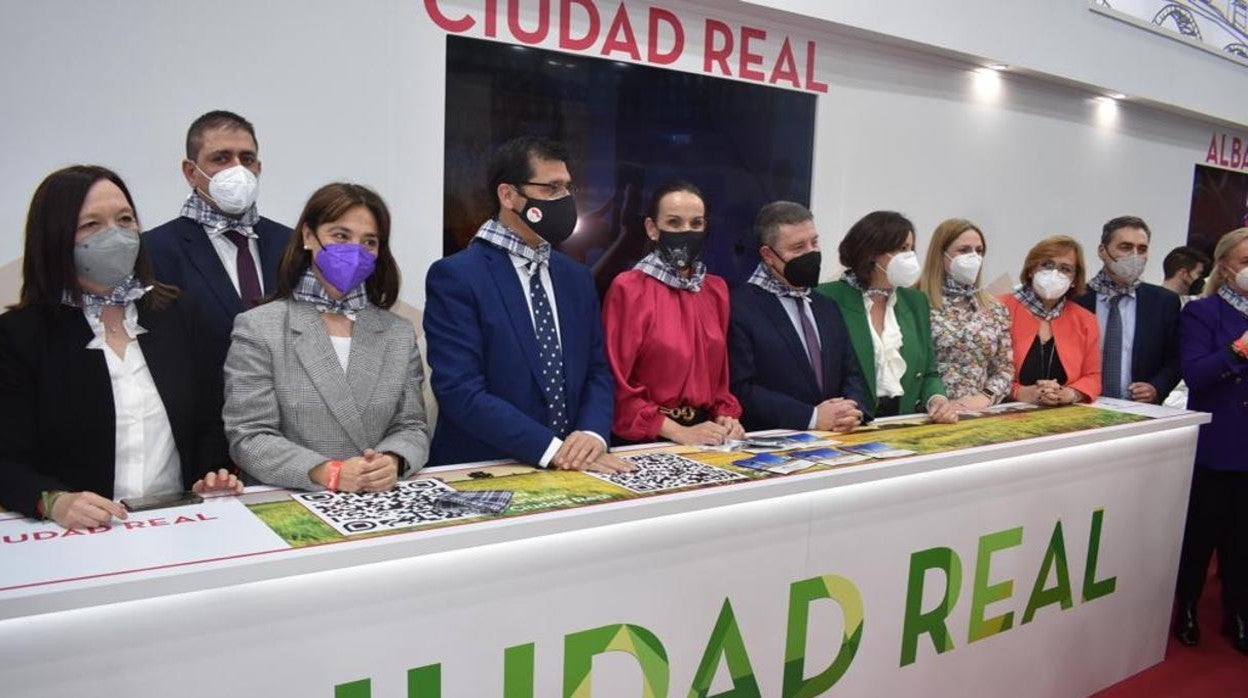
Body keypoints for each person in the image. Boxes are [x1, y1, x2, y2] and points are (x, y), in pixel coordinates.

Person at [0, 166, 240, 529]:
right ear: (54, 237)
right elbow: (7, 461)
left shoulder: (179, 312)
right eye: (91, 225)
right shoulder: (19, 335)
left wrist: (211, 475)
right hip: (78, 537)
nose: (116, 235)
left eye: (125, 219)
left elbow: (211, 417)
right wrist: (54, 501)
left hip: (181, 524)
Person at [424, 137, 627, 472]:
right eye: (551, 188)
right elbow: (460, 390)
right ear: (508, 196)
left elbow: (596, 370)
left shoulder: (577, 278)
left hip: (580, 469)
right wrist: (552, 450)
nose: (563, 199)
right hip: (487, 470)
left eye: (567, 189)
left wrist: (591, 433)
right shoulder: (457, 276)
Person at [224, 183, 429, 491]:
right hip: (292, 503)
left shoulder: (398, 332)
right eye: (341, 236)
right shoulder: (259, 327)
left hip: (378, 504)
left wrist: (393, 461)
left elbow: (412, 426)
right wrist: (327, 472)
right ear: (308, 236)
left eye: (369, 242)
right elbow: (249, 436)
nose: (355, 251)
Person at [145, 111, 291, 368]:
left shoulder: (289, 243)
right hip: (206, 403)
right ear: (191, 172)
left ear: (258, 168)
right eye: (221, 158)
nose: (237, 169)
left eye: (247, 159)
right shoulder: (153, 249)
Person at [602, 181, 745, 445]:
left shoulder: (715, 290)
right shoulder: (630, 288)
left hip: (705, 435)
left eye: (696, 224)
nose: (686, 232)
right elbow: (615, 383)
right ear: (652, 229)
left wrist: (726, 416)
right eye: (675, 223)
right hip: (647, 439)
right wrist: (678, 432)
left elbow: (720, 379)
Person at [1172, 227, 1248, 653]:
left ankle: (1237, 612)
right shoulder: (1204, 313)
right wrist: (1238, 351)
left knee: (1243, 541)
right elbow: (1196, 374)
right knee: (1201, 535)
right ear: (1224, 266)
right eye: (1244, 261)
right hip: (1217, 444)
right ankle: (1185, 606)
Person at [729, 201, 868, 432]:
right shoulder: (740, 307)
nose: (812, 253)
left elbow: (851, 372)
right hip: (772, 442)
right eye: (798, 247)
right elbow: (741, 388)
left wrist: (852, 408)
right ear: (768, 255)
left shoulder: (826, 306)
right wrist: (812, 417)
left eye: (814, 242)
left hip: (837, 439)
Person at [816, 211, 957, 422]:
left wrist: (936, 399)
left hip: (900, 422)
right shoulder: (826, 297)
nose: (909, 256)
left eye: (911, 248)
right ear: (871, 251)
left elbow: (928, 372)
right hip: (847, 422)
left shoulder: (915, 301)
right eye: (901, 249)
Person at [1074, 216, 1180, 403]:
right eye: (1125, 247)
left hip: (1138, 408)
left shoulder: (1164, 302)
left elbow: (1176, 358)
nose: (1134, 255)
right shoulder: (1076, 298)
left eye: (1142, 249)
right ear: (1102, 251)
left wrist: (1157, 387)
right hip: (1083, 404)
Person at [917, 218, 1013, 411]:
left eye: (979, 251)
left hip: (978, 413)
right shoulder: (916, 303)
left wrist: (984, 398)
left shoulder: (994, 308)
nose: (974, 257)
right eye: (964, 250)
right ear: (940, 254)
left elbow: (1004, 369)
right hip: (925, 412)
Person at [1001, 236, 1101, 405]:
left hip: (1062, 417)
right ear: (1031, 269)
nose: (1055, 274)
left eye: (1065, 269)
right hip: (1003, 414)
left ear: (1074, 280)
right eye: (1047, 265)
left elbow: (1093, 376)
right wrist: (1019, 392)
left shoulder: (1085, 320)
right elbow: (983, 373)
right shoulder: (999, 308)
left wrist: (1071, 393)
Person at [1162, 245, 1214, 408]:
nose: (1201, 280)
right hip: (1167, 394)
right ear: (1184, 273)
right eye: (1198, 274)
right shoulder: (1151, 305)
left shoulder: (1195, 306)